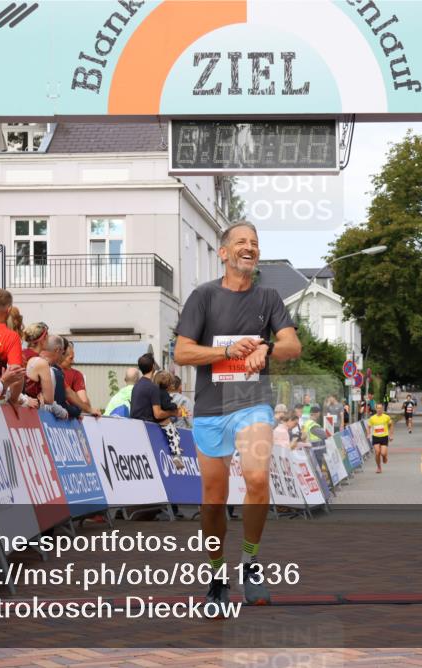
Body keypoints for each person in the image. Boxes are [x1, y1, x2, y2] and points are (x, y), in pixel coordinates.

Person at [174, 220, 301, 611]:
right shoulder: (203, 297)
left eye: (255, 242)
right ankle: (216, 576)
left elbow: (292, 345)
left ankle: (249, 562)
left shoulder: (269, 299)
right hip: (211, 409)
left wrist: (266, 347)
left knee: (257, 477)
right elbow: (182, 353)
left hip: (252, 404)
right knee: (213, 500)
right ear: (224, 253)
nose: (250, 247)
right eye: (241, 242)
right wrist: (226, 353)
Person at [129, 354, 182, 461]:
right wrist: (173, 412)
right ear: (153, 366)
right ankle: (175, 451)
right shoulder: (153, 387)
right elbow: (157, 414)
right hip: (148, 426)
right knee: (168, 422)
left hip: (134, 425)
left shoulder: (136, 386)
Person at [22, 324, 69, 418]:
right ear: (43, 340)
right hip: (30, 413)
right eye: (47, 337)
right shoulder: (42, 363)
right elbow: (49, 399)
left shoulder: (20, 354)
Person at [60, 344, 101, 417]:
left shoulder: (47, 369)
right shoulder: (76, 374)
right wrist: (89, 408)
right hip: (68, 419)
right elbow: (83, 400)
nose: (73, 361)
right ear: (61, 355)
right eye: (71, 358)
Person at [368, 402, 393, 473]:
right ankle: (379, 467)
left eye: (380, 408)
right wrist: (368, 434)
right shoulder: (372, 418)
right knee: (377, 452)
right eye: (377, 408)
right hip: (375, 437)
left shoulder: (386, 417)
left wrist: (391, 435)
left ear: (382, 409)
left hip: (384, 437)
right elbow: (368, 427)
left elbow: (391, 425)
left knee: (383, 453)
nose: (379, 409)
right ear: (376, 409)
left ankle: (384, 456)